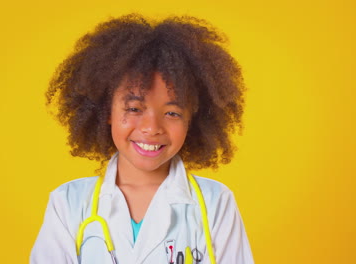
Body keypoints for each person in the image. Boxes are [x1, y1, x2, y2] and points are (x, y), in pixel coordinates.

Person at [30, 13, 254, 264]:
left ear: (192, 119)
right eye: (134, 109)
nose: (151, 128)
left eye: (172, 113)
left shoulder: (216, 203)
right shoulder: (68, 203)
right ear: (106, 112)